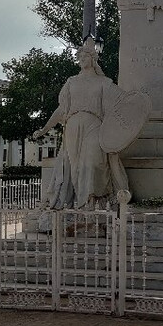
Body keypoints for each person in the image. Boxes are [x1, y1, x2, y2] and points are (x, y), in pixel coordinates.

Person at [32, 38, 133, 210]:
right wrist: (44, 129)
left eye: (85, 57)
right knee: (76, 167)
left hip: (94, 124)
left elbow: (122, 102)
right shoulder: (72, 82)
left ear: (93, 59)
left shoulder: (104, 82)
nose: (82, 60)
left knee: (93, 162)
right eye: (80, 58)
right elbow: (61, 109)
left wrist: (136, 104)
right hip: (72, 125)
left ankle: (93, 199)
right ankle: (83, 204)